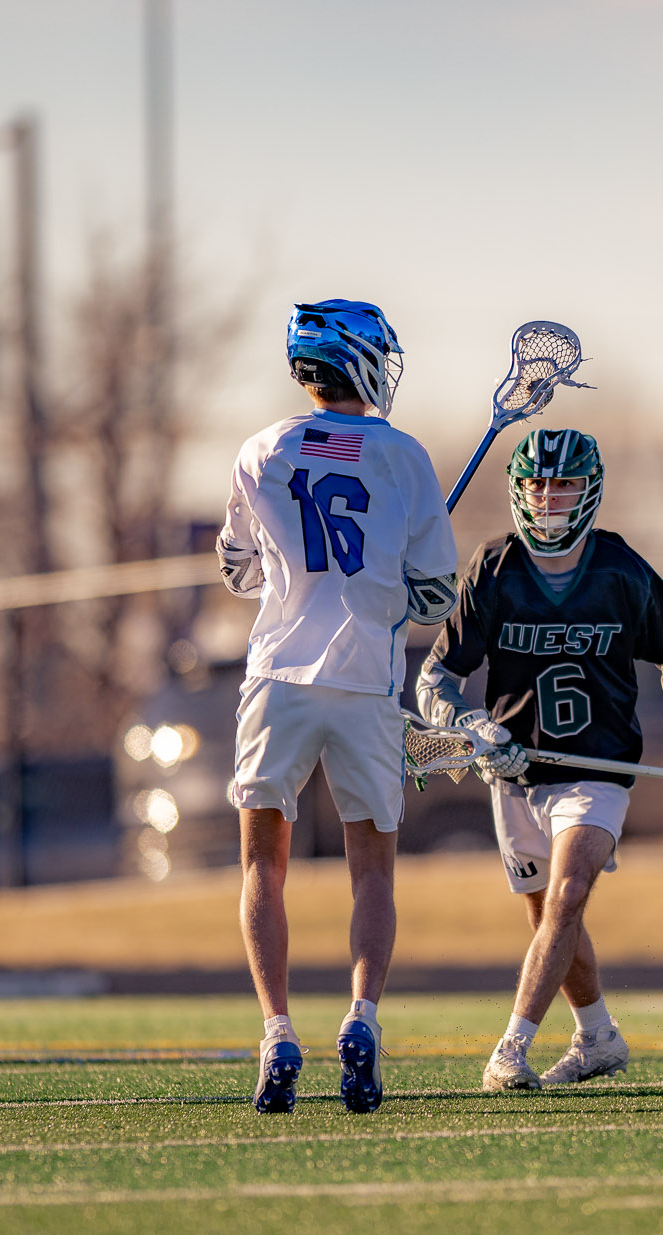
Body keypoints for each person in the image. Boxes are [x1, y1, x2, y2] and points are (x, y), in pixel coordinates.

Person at [417, 428, 663, 1092]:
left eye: (561, 485)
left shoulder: (617, 568)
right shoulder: (494, 568)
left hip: (598, 767)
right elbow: (434, 680)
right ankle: (598, 1037)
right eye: (536, 485)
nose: (548, 500)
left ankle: (511, 1047)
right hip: (515, 773)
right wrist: (470, 724)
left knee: (567, 895)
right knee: (550, 921)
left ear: (589, 491)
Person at [217, 299, 458, 1115]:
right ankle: (362, 1016)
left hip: (276, 678)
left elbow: (239, 569)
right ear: (361, 361)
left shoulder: (260, 449)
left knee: (264, 866)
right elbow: (433, 594)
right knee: (372, 871)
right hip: (365, 684)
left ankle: (277, 1029)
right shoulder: (404, 457)